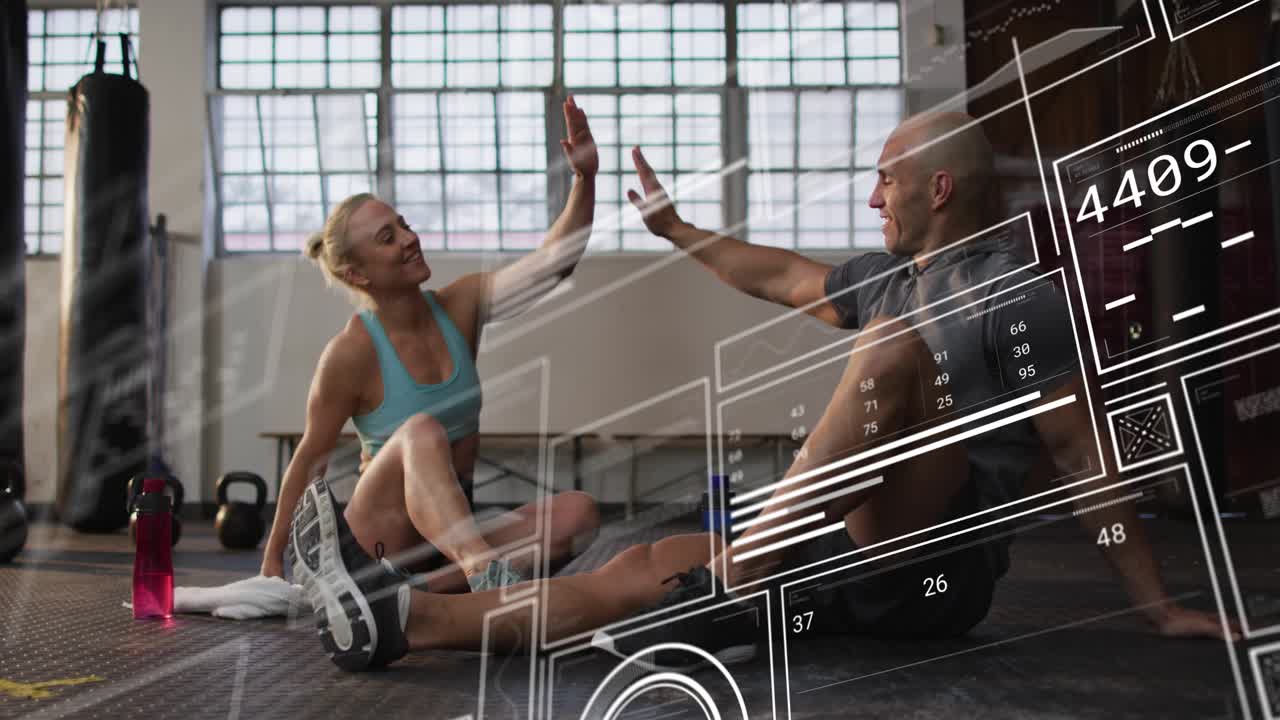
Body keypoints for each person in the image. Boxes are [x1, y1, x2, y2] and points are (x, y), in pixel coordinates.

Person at [289, 111, 1237, 672]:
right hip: (841, 541)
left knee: (892, 349)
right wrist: (674, 228)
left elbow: (1081, 456)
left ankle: (735, 575)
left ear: (940, 188)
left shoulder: (1013, 298)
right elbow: (776, 275)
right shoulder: (894, 277)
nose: (874, 199)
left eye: (884, 181)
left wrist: (1155, 606)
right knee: (634, 567)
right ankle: (406, 623)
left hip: (927, 571)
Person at [262, 97, 602, 594]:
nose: (408, 238)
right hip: (380, 538)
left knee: (578, 513)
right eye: (387, 237)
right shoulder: (350, 353)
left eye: (403, 224)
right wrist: (273, 561)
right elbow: (309, 457)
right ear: (357, 273)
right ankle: (472, 575)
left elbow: (555, 263)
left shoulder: (460, 305)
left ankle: (413, 598)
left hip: (449, 534)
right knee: (420, 430)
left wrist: (585, 180)